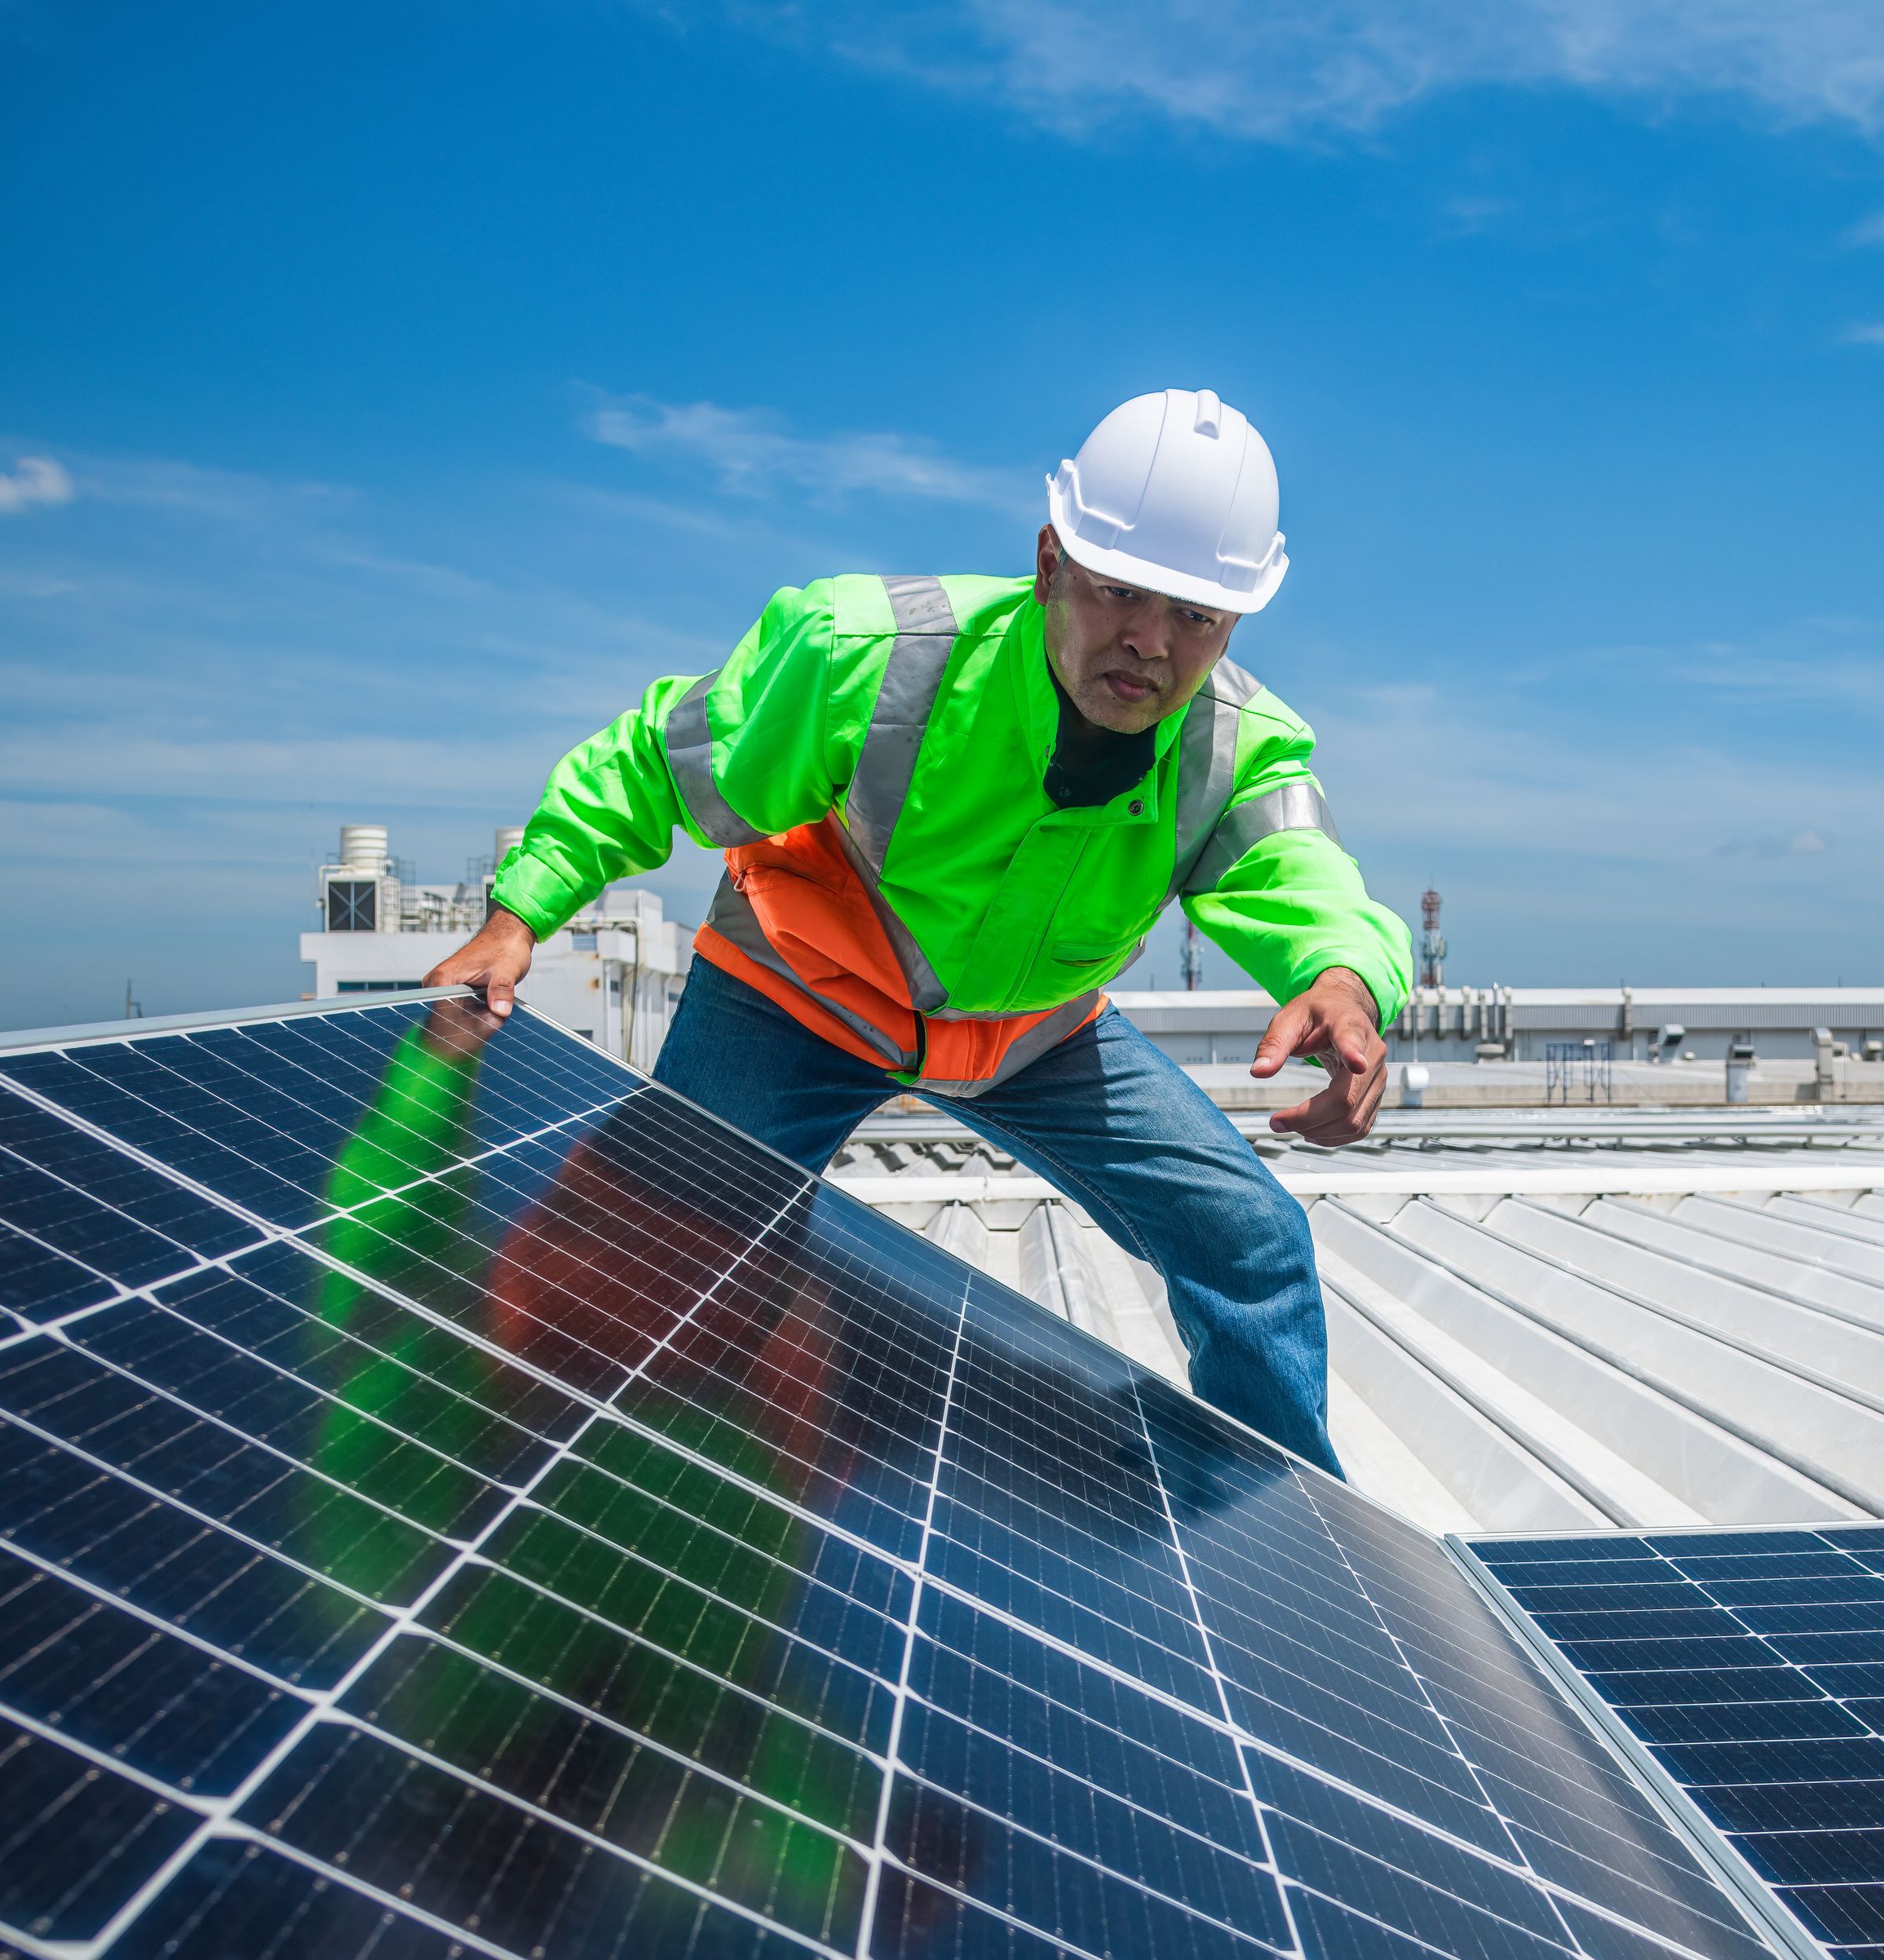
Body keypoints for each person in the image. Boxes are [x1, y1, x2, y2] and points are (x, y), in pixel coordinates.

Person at [427, 389, 1410, 1473]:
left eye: (1196, 616)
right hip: (796, 998)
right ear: (1050, 563)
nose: (1151, 643)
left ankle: (1294, 1548)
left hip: (1032, 1033)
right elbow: (661, 757)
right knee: (666, 1257)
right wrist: (523, 908)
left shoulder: (1238, 746)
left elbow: (1302, 872)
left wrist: (1346, 978)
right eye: (1120, 591)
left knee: (1253, 1240)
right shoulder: (874, 652)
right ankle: (622, 1511)